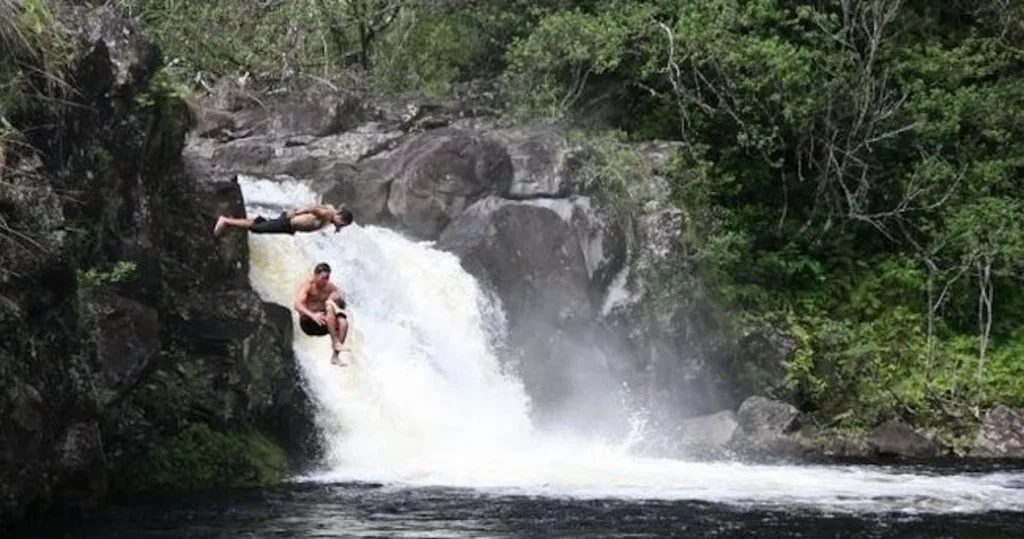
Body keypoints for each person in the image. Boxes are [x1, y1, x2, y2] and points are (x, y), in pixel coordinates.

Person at [294, 262, 350, 365]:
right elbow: (297, 305)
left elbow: (343, 305)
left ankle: (335, 356)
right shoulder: (308, 286)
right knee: (329, 305)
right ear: (315, 275)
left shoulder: (330, 287)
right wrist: (313, 315)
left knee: (343, 322)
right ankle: (336, 342)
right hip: (308, 323)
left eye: (327, 278)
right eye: (323, 278)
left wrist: (337, 299)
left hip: (323, 323)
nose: (325, 281)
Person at [214, 204, 353, 236]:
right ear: (339, 215)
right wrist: (298, 212)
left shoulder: (331, 214)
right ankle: (225, 221)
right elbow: (313, 209)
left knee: (259, 223)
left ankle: (232, 221)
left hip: (290, 225)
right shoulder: (328, 214)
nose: (341, 226)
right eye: (342, 223)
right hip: (289, 222)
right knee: (257, 228)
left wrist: (337, 227)